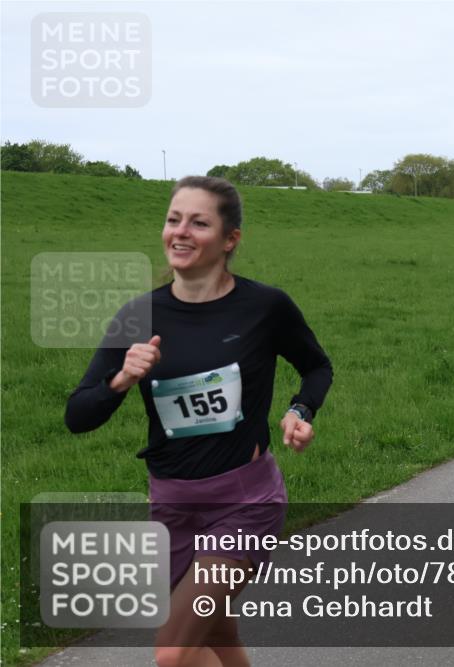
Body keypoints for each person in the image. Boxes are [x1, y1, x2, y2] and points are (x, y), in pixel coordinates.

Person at [65, 176, 333, 667]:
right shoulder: (138, 315)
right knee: (217, 635)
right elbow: (77, 416)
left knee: (174, 653)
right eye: (173, 220)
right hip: (171, 506)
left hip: (244, 503)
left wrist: (300, 410)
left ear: (230, 239)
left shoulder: (265, 307)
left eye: (198, 223)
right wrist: (121, 379)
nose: (180, 232)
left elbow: (317, 366)